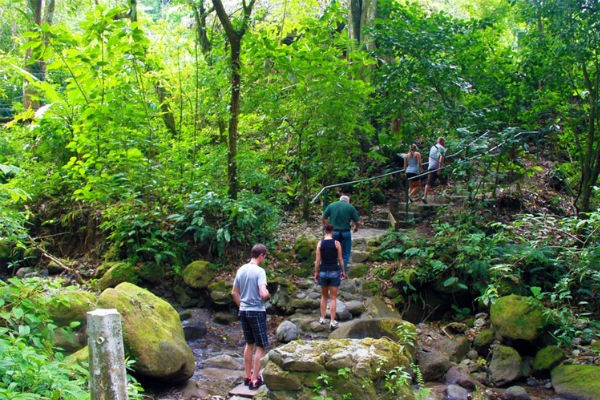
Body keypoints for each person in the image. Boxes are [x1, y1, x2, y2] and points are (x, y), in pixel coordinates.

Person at [231, 244, 270, 390]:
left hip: (244, 310)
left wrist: (241, 306)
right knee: (261, 345)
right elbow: (263, 293)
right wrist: (267, 295)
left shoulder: (241, 269)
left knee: (249, 343)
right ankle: (255, 380)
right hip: (257, 311)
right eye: (264, 257)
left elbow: (234, 293)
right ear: (261, 255)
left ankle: (247, 376)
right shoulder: (260, 271)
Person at [314, 224, 345, 329]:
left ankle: (322, 318)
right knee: (333, 298)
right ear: (333, 231)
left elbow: (318, 260)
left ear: (324, 231)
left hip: (323, 271)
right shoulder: (337, 243)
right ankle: (332, 321)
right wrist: (343, 271)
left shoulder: (320, 244)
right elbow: (340, 259)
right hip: (334, 272)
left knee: (323, 296)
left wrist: (316, 272)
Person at [322, 195, 360, 273]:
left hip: (334, 232)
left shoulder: (332, 205)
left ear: (340, 199)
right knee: (345, 253)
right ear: (348, 201)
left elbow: (323, 217)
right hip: (346, 233)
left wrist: (326, 227)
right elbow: (358, 222)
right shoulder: (350, 207)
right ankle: (340, 273)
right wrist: (356, 228)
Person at [423, 136, 447, 204]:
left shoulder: (432, 147)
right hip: (438, 167)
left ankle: (425, 196)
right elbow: (441, 158)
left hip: (431, 167)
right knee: (444, 181)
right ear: (442, 142)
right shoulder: (442, 148)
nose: (444, 143)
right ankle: (443, 195)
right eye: (444, 142)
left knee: (429, 182)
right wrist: (439, 169)